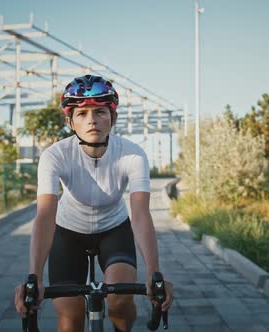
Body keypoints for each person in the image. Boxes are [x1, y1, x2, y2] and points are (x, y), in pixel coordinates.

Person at [14, 75, 173, 332]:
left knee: (120, 303)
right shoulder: (54, 156)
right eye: (82, 113)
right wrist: (33, 278)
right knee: (69, 320)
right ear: (70, 121)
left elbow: (141, 214)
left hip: (114, 228)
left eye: (100, 111)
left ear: (113, 118)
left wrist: (155, 274)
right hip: (67, 232)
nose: (91, 120)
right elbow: (44, 216)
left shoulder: (133, 154)